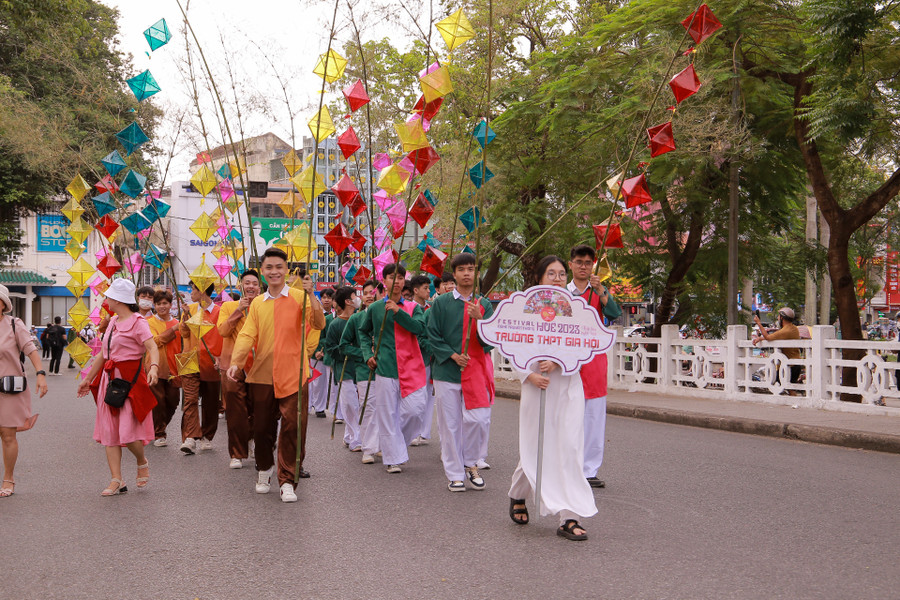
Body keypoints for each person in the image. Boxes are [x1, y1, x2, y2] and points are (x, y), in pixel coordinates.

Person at [508, 256, 597, 541]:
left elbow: (585, 344)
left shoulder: (575, 309)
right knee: (537, 448)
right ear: (539, 278)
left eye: (561, 274)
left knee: (569, 447)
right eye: (551, 274)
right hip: (538, 387)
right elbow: (511, 344)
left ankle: (568, 517)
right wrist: (528, 375)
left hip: (569, 386)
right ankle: (518, 493)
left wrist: (561, 363)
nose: (558, 279)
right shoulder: (525, 309)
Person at [227, 248, 325, 503]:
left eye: (279, 267)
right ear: (262, 271)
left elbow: (318, 323)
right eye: (269, 267)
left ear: (286, 270)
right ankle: (264, 469)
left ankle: (287, 479)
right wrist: (236, 362)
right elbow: (248, 334)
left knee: (293, 426)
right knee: (261, 427)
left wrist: (311, 294)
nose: (274, 272)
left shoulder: (299, 297)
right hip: (262, 374)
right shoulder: (258, 303)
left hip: (294, 372)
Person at [76, 279, 159, 496]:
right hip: (110, 381)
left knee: (129, 433)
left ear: (118, 299)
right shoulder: (112, 322)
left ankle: (141, 460)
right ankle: (116, 480)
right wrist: (88, 379)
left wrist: (154, 368)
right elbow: (104, 355)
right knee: (110, 432)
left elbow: (152, 346)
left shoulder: (138, 322)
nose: (106, 300)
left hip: (130, 381)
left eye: (108, 296)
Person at [426, 254, 495, 492]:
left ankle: (471, 463)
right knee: (450, 425)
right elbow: (432, 334)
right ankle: (455, 474)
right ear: (454, 274)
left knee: (479, 420)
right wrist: (453, 355)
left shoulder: (484, 304)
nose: (467, 273)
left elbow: (491, 341)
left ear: (477, 274)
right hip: (447, 371)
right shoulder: (441, 303)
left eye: (471, 269)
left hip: (475, 370)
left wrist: (481, 320)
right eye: (462, 269)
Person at [358, 263, 427, 474]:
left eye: (400, 277)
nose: (396, 281)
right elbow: (363, 332)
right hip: (385, 367)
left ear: (404, 280)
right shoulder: (375, 308)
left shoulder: (415, 308)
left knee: (416, 411)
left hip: (412, 367)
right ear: (384, 281)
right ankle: (392, 458)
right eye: (391, 277)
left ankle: (396, 447)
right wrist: (368, 355)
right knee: (387, 415)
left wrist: (398, 312)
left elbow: (419, 329)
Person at [568, 244, 621, 489]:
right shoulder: (562, 292)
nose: (583, 266)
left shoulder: (598, 291)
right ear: (571, 264)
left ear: (593, 266)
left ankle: (589, 470)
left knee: (594, 416)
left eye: (588, 263)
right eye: (579, 262)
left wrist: (602, 292)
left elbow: (614, 313)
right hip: (568, 359)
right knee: (569, 415)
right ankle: (568, 465)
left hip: (594, 360)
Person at [0, 284, 48, 497]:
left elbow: (30, 349)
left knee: (7, 434)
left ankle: (8, 479)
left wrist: (40, 374)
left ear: (3, 304)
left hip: (9, 388)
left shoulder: (13, 324)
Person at [217, 270, 262, 469]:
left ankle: (251, 440)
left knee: (257, 409)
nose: (251, 286)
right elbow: (223, 331)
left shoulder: (264, 306)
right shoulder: (227, 306)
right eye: (247, 283)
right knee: (235, 411)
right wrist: (239, 311)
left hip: (258, 366)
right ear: (240, 286)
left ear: (260, 288)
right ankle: (236, 452)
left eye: (255, 283)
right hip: (233, 367)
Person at [340, 280, 382, 464]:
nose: (370, 295)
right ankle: (368, 447)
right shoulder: (356, 319)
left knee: (386, 409)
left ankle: (381, 444)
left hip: (388, 369)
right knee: (369, 407)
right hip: (364, 371)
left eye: (373, 292)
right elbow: (343, 346)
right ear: (361, 297)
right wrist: (364, 355)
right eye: (366, 292)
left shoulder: (386, 315)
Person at [178, 282, 223, 454]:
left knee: (211, 402)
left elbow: (222, 335)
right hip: (189, 357)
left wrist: (220, 357)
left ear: (203, 291)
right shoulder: (189, 308)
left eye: (193, 289)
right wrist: (186, 317)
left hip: (211, 360)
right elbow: (184, 334)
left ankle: (207, 435)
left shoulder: (219, 312)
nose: (191, 293)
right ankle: (190, 438)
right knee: (189, 399)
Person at [324, 286, 361, 451]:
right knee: (351, 405)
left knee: (357, 405)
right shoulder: (335, 324)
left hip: (360, 370)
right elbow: (330, 348)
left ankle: (348, 435)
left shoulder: (361, 319)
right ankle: (356, 440)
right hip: (344, 369)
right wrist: (346, 351)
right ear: (348, 301)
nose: (358, 298)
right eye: (355, 296)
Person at [147, 289, 182, 447]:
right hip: (155, 367)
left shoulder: (177, 323)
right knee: (158, 401)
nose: (162, 306)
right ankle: (159, 433)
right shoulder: (149, 322)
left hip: (174, 369)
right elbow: (156, 341)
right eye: (159, 303)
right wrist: (174, 330)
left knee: (173, 401)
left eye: (165, 303)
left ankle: (159, 426)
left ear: (170, 304)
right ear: (154, 305)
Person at [409, 274, 435, 447]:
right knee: (415, 396)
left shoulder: (432, 308)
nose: (428, 291)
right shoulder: (408, 308)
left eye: (428, 287)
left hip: (430, 358)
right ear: (415, 290)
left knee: (428, 395)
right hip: (412, 357)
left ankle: (424, 432)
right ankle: (413, 431)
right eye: (424, 288)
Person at [753, 307, 802, 394]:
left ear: (782, 318)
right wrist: (761, 338)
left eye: (779, 316)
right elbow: (775, 337)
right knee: (789, 389)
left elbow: (768, 337)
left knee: (776, 386)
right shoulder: (793, 328)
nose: (778, 318)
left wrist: (759, 323)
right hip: (795, 364)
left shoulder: (785, 331)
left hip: (789, 366)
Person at [310, 288, 335, 419]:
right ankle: (312, 406)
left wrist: (324, 350)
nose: (326, 300)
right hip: (315, 352)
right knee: (314, 381)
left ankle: (321, 407)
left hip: (327, 353)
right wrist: (316, 350)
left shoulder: (335, 315)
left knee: (326, 382)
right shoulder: (316, 313)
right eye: (324, 297)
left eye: (329, 297)